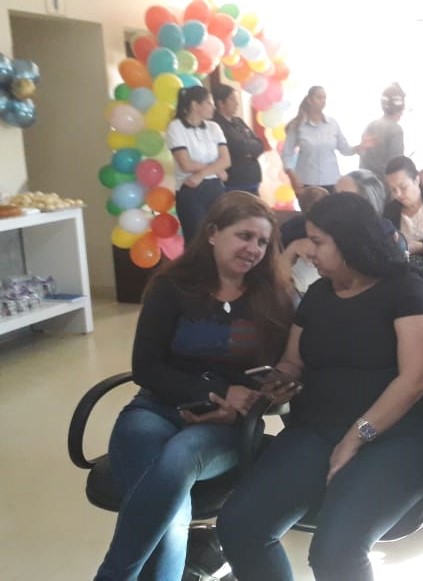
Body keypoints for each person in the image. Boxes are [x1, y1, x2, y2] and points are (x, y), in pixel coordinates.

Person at [217, 194, 423, 581]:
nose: (309, 251)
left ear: (351, 240)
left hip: (397, 436)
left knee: (336, 552)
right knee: (240, 526)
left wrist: (356, 437)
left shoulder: (407, 291)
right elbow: (294, 361)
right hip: (317, 429)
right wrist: (276, 384)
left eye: (318, 241)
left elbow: (415, 381)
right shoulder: (320, 294)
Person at [95, 192, 293, 581]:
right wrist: (212, 392)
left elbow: (283, 376)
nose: (253, 248)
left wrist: (248, 401)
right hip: (155, 409)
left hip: (224, 426)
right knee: (171, 515)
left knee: (178, 461)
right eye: (244, 235)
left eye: (262, 242)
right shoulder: (172, 287)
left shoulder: (275, 298)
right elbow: (145, 368)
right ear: (213, 233)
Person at [165, 86, 231, 243]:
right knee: (196, 240)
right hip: (190, 190)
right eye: (209, 103)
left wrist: (201, 174)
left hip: (215, 188)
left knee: (220, 237)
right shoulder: (176, 127)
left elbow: (226, 160)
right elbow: (186, 164)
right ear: (194, 105)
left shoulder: (214, 127)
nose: (213, 107)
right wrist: (215, 169)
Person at [282, 86, 365, 193]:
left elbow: (345, 150)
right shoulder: (297, 125)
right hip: (307, 181)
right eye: (319, 97)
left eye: (324, 98)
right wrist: (292, 176)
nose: (323, 101)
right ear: (309, 100)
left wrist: (359, 147)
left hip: (331, 180)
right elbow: (286, 154)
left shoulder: (332, 124)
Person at [212, 85, 264, 195]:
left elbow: (260, 144)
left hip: (253, 179)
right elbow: (237, 147)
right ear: (221, 103)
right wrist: (248, 147)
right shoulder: (216, 125)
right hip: (235, 182)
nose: (237, 103)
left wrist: (246, 147)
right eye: (232, 99)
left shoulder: (238, 121)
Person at [358, 83, 406, 181]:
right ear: (401, 108)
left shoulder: (371, 125)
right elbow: (396, 165)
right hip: (383, 186)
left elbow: (363, 157)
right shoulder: (396, 130)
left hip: (365, 183)